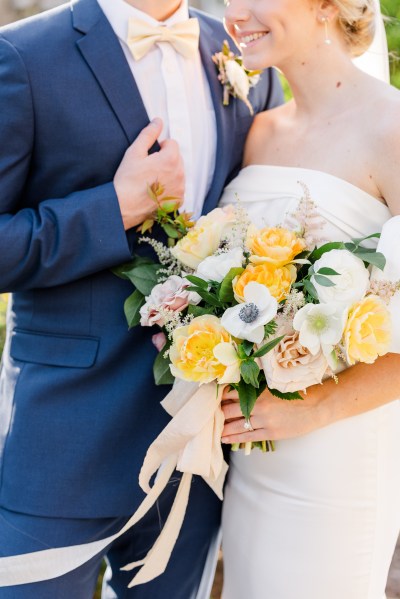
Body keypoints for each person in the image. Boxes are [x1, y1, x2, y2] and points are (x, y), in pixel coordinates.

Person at [0, 0, 283, 597]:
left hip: (195, 442)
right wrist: (112, 210)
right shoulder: (23, 55)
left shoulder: (248, 50)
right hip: (64, 440)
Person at [218, 0, 400, 597]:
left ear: (327, 5)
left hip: (339, 457)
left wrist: (317, 408)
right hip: (254, 451)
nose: (233, 13)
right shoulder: (262, 130)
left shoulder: (391, 128)